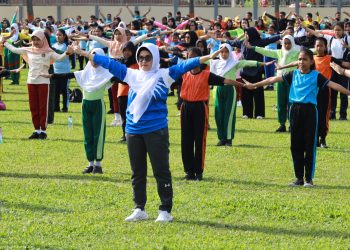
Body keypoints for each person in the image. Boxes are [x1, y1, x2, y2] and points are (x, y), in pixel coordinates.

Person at [85, 43, 216, 222]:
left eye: (147, 58)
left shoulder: (164, 75)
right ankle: (139, 208)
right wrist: (82, 52)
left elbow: (185, 65)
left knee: (161, 170)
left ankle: (165, 210)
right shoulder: (132, 74)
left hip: (156, 130)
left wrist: (207, 57)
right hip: (133, 130)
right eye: (140, 57)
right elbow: (109, 63)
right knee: (137, 171)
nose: (143, 61)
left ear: (154, 58)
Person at [244, 48, 350, 187]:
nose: (301, 62)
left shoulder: (316, 75)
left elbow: (333, 85)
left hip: (310, 111)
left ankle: (308, 179)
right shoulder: (293, 74)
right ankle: (299, 178)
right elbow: (274, 78)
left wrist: (348, 92)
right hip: (294, 110)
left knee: (309, 144)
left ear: (311, 61)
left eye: (305, 59)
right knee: (295, 144)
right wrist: (255, 85)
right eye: (299, 59)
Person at [42, 48, 113, 174]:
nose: (93, 61)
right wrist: (52, 75)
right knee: (88, 133)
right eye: (91, 58)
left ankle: (98, 164)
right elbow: (68, 75)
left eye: (97, 59)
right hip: (85, 105)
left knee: (98, 133)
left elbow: (122, 77)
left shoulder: (107, 73)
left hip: (98, 106)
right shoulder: (86, 72)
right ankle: (90, 163)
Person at [180, 47, 244, 180]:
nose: (190, 60)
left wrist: (243, 85)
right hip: (185, 107)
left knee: (199, 140)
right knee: (186, 140)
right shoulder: (183, 73)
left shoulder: (206, 75)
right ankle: (188, 171)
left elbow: (225, 81)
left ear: (199, 59)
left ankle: (198, 171)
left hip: (199, 108)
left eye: (193, 58)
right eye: (188, 58)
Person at [1, 30, 72, 139]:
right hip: (31, 82)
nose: (35, 42)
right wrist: (4, 42)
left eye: (37, 39)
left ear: (43, 39)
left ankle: (43, 131)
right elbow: (15, 50)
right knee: (33, 107)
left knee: (43, 107)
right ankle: (36, 130)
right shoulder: (28, 50)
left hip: (43, 82)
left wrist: (67, 52)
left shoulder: (48, 51)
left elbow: (58, 57)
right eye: (33, 39)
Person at [247, 35, 300, 132]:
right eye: (285, 43)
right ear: (282, 44)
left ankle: (292, 124)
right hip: (279, 80)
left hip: (292, 80)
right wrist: (253, 47)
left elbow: (310, 52)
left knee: (292, 103)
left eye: (289, 43)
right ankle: (282, 124)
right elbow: (266, 51)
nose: (287, 45)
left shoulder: (297, 52)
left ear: (292, 43)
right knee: (281, 103)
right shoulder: (280, 52)